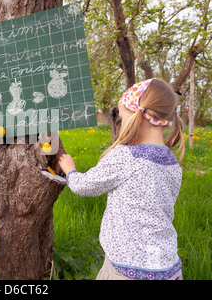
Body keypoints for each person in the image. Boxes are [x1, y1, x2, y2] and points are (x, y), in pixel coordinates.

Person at [59, 78, 185, 280]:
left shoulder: (126, 156)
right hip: (167, 267)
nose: (122, 122)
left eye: (124, 117)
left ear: (139, 117)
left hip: (126, 268)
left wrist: (70, 170)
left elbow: (84, 187)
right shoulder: (172, 162)